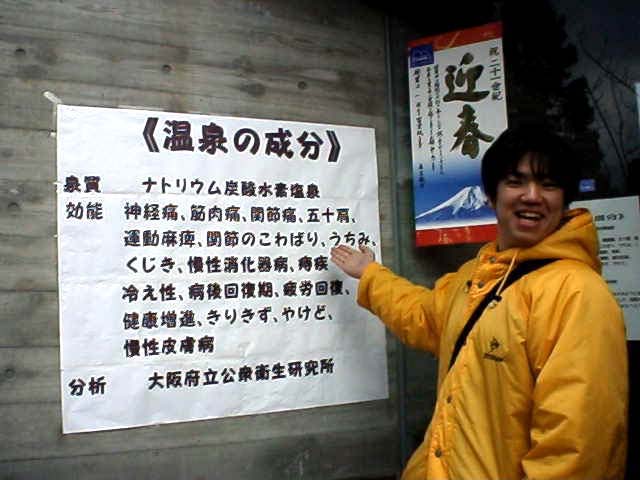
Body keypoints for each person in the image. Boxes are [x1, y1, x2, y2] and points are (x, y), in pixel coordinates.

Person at [330, 125, 628, 480]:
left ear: (565, 202)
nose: (532, 196)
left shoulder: (577, 293)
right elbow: (424, 316)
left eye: (548, 185)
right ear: (490, 195)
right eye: (516, 182)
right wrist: (371, 275)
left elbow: (576, 448)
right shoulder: (477, 275)